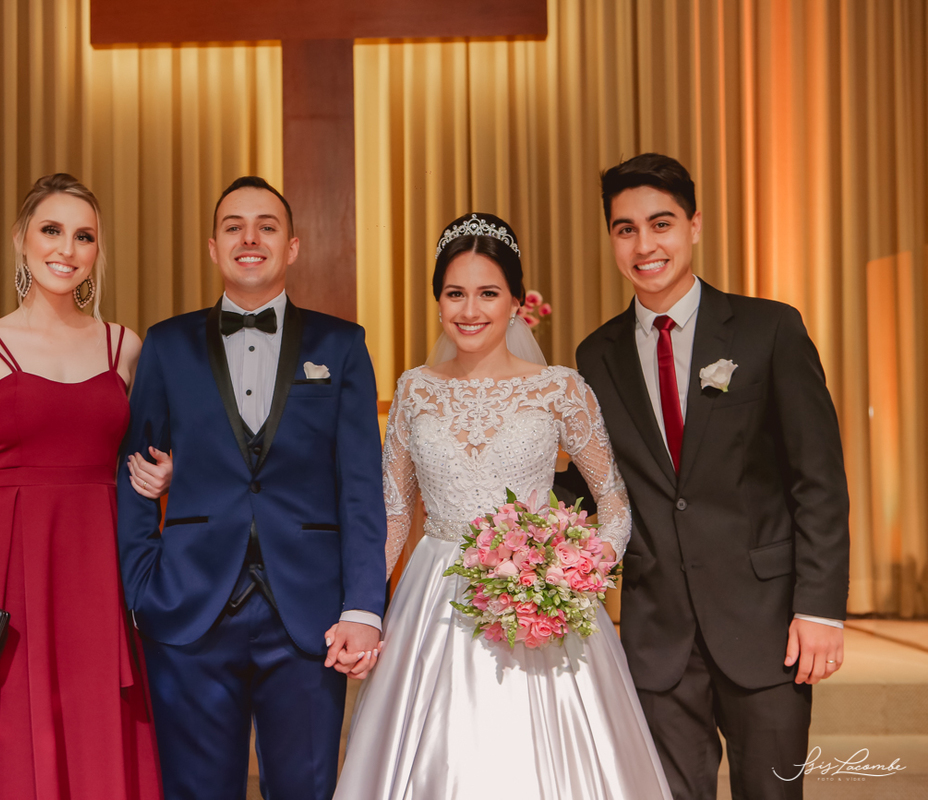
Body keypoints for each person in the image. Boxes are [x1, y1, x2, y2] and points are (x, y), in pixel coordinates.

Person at [335, 213, 672, 798]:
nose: (470, 310)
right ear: (438, 300)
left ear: (517, 300)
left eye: (488, 293)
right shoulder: (415, 389)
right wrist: (363, 607)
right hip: (434, 594)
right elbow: (394, 515)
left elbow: (614, 502)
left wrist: (577, 573)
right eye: (455, 293)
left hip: (538, 591)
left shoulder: (560, 388)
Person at [576, 153, 849, 799]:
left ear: (694, 224)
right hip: (658, 633)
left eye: (661, 223)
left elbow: (818, 479)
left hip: (766, 626)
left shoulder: (768, 329)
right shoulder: (596, 354)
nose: (645, 245)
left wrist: (819, 608)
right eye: (625, 229)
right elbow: (597, 483)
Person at [117, 176, 387, 800]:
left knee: (306, 788)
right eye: (234, 226)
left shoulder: (342, 345)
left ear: (291, 247)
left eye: (267, 226)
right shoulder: (166, 344)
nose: (250, 238)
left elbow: (360, 489)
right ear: (214, 247)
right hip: (188, 606)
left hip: (309, 612)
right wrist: (141, 589)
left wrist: (362, 607)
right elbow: (133, 473)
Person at [0, 173, 163, 799]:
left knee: (93, 725)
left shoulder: (126, 348)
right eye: (52, 230)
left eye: (84, 236)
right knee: (1, 735)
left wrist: (165, 476)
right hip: (4, 564)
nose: (67, 249)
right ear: (22, 238)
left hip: (99, 567)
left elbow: (148, 458)